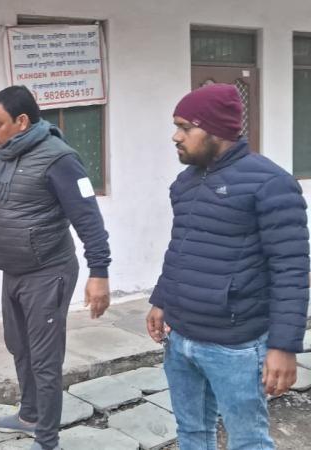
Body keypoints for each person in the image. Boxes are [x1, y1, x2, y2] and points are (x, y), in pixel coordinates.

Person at [147, 83, 309, 450]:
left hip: (236, 347)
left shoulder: (271, 184)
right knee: (192, 434)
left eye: (185, 127)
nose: (176, 136)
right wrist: (161, 298)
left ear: (215, 129)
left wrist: (283, 346)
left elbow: (291, 269)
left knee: (248, 441)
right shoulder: (185, 183)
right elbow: (183, 247)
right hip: (180, 339)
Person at [0, 86, 111, 450]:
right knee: (19, 347)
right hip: (14, 271)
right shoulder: (2, 156)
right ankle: (29, 414)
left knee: (44, 358)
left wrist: (99, 272)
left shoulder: (60, 159)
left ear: (21, 121)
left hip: (48, 272)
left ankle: (47, 440)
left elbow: (89, 219)